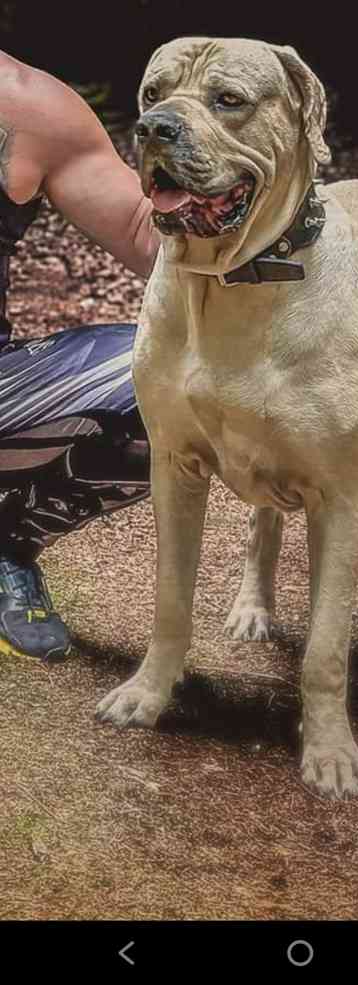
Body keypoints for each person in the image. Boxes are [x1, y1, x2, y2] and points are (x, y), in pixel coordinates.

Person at [0, 49, 158, 661]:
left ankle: (11, 538)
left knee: (183, 377)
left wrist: (287, 224)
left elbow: (150, 234)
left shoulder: (31, 106)